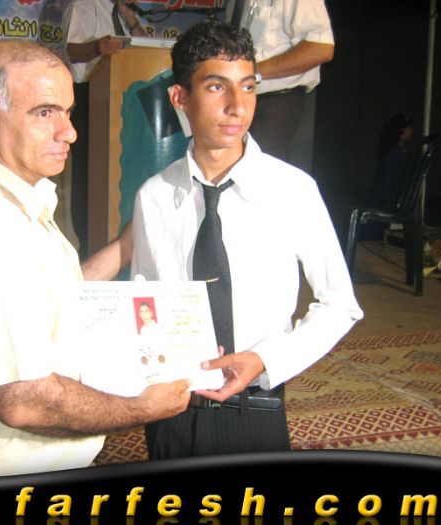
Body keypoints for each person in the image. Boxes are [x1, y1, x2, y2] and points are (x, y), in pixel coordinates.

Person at [0, 39, 190, 478]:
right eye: (45, 113)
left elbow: (49, 296)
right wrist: (142, 409)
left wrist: (126, 246)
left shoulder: (13, 204)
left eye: (67, 111)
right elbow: (24, 401)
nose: (69, 132)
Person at [129, 20, 363, 458]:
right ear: (180, 98)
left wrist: (265, 360)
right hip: (172, 411)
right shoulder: (154, 197)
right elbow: (146, 304)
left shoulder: (292, 190)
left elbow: (340, 305)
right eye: (217, 87)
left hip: (255, 408)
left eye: (249, 87)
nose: (238, 106)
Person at [61, 0, 149, 258]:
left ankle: (121, 239)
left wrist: (131, 19)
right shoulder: (84, 5)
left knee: (119, 169)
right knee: (88, 175)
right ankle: (88, 245)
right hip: (89, 96)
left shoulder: (125, 11)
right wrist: (97, 47)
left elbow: (149, 48)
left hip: (123, 97)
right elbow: (70, 51)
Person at [226, 0, 335, 162]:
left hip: (274, 101)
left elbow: (321, 48)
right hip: (241, 98)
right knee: (234, 168)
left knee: (258, 169)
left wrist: (251, 72)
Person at [371, 113, 415, 211]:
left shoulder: (397, 152)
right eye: (409, 128)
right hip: (385, 208)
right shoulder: (395, 154)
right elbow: (390, 183)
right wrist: (390, 207)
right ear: (401, 131)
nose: (412, 131)